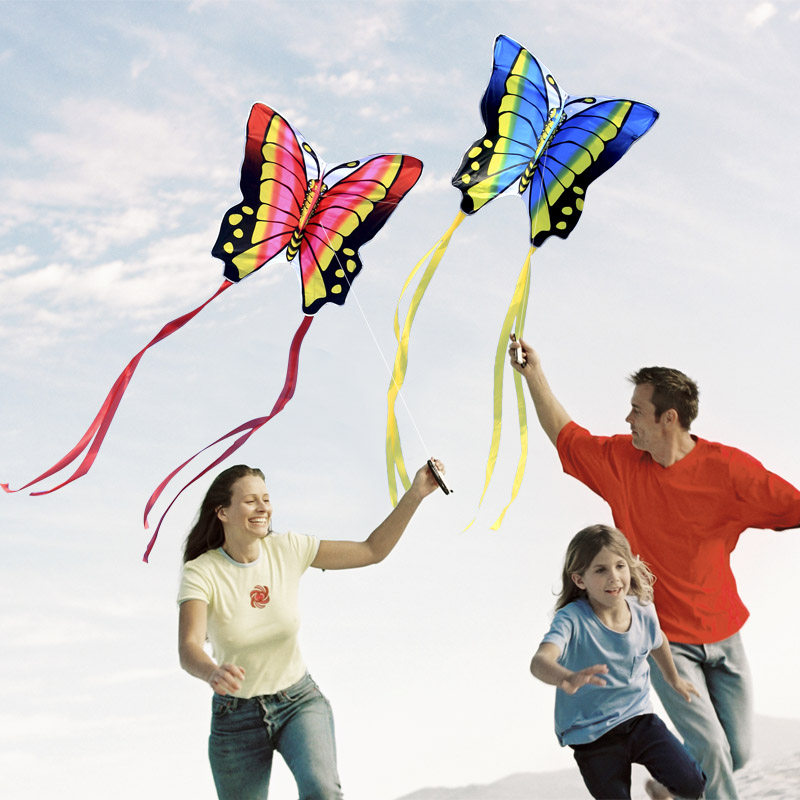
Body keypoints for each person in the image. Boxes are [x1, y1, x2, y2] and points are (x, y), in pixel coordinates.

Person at [510, 338, 800, 800]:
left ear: (669, 418)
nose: (627, 419)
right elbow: (566, 435)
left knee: (738, 753)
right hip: (666, 637)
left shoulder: (730, 471)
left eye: (637, 410)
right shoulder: (622, 464)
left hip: (725, 632)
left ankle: (670, 787)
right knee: (713, 752)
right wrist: (533, 374)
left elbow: (792, 506)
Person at [177, 459, 445, 800]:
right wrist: (212, 672)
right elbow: (189, 646)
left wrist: (416, 494)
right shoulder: (201, 572)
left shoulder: (288, 548)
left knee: (322, 790)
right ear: (223, 512)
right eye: (250, 501)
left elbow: (371, 550)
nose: (263, 508)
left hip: (297, 703)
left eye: (266, 499)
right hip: (236, 719)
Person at [531, 524, 706, 800]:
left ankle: (661, 791)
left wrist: (673, 679)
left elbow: (657, 640)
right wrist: (565, 677)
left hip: (638, 719)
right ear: (579, 580)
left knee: (692, 785)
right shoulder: (572, 619)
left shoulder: (643, 610)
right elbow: (540, 661)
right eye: (600, 570)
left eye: (620, 566)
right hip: (592, 736)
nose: (614, 577)